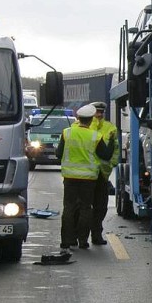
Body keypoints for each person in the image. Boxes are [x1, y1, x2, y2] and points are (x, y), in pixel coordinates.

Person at [55, 104, 115, 250]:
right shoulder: (95, 136)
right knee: (85, 209)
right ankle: (83, 241)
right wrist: (112, 142)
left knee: (68, 208)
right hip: (88, 179)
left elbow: (58, 154)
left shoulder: (67, 132)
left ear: (78, 118)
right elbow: (105, 155)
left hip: (69, 178)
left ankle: (66, 241)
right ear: (90, 120)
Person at [89, 101, 118, 245]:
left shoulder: (110, 128)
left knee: (101, 207)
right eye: (97, 112)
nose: (99, 115)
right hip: (86, 174)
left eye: (101, 112)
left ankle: (96, 234)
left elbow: (116, 148)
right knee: (82, 207)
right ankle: (79, 236)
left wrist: (112, 164)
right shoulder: (85, 126)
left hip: (102, 174)